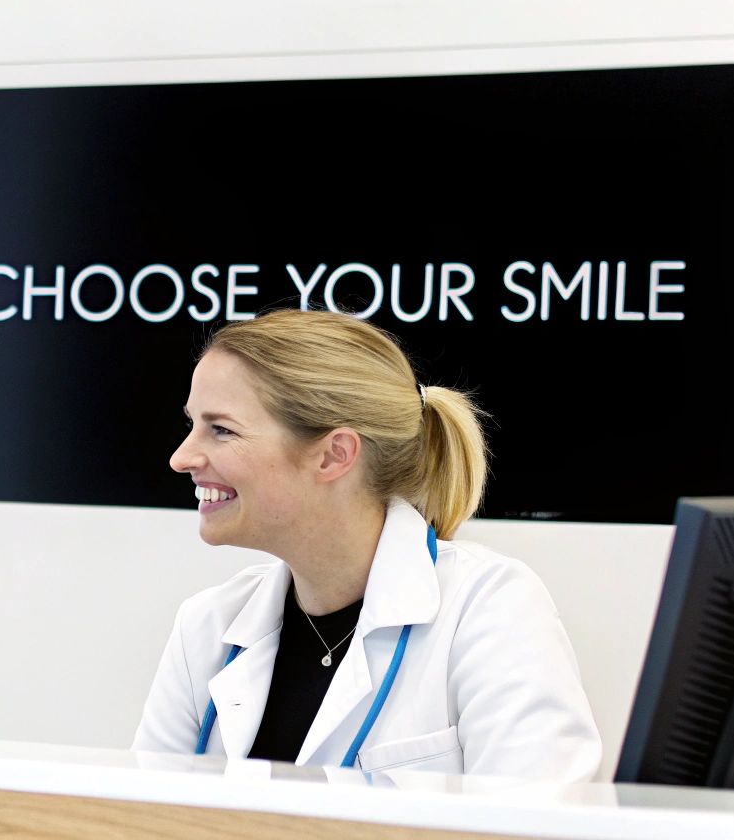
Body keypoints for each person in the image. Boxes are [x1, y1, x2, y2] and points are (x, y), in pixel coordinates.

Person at [133, 309, 601, 782]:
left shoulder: (490, 609)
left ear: (334, 454)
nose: (181, 457)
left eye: (222, 430)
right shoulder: (207, 627)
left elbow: (537, 825)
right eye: (192, 424)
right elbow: (134, 822)